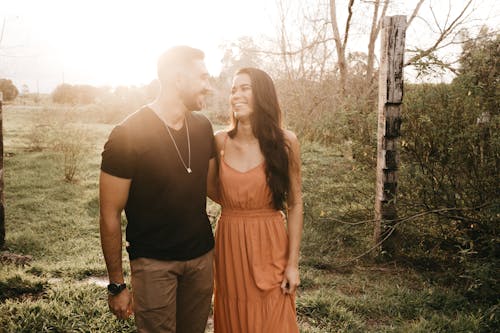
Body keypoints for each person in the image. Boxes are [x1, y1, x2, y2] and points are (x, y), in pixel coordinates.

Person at [99, 45, 216, 333]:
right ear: (178, 79)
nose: (209, 86)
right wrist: (116, 284)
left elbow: (216, 188)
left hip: (201, 261)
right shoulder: (127, 134)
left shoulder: (203, 127)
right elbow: (109, 214)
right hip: (153, 266)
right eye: (202, 77)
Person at [207, 67, 303, 332]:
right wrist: (238, 205)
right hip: (230, 242)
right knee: (234, 313)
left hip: (270, 242)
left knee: (274, 317)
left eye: (244, 88)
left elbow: (294, 204)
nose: (236, 95)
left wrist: (292, 265)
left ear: (262, 94)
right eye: (233, 90)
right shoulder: (220, 141)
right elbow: (211, 188)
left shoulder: (286, 143)